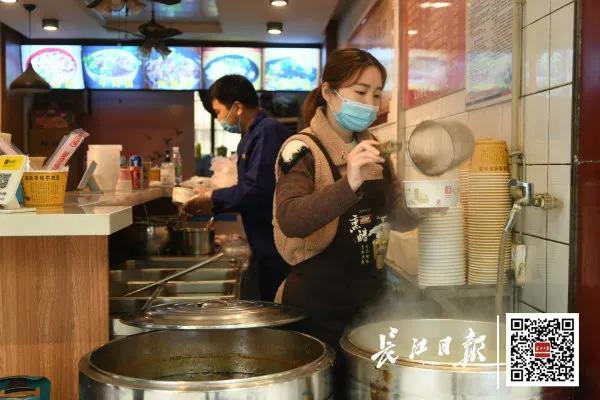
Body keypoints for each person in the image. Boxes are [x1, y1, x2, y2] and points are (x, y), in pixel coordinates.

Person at [272, 48, 425, 394]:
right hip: (317, 307)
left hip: (373, 302)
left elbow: (396, 218)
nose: (369, 103)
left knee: (370, 391)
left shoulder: (375, 147)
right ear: (329, 92)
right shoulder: (300, 149)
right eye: (360, 92)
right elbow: (291, 219)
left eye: (376, 94)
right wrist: (349, 182)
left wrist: (425, 207)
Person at [183, 74, 291, 301]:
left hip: (276, 248)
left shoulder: (267, 131)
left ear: (238, 107)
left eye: (218, 112)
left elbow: (256, 191)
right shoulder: (249, 136)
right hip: (261, 243)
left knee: (277, 312)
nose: (218, 119)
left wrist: (212, 199)